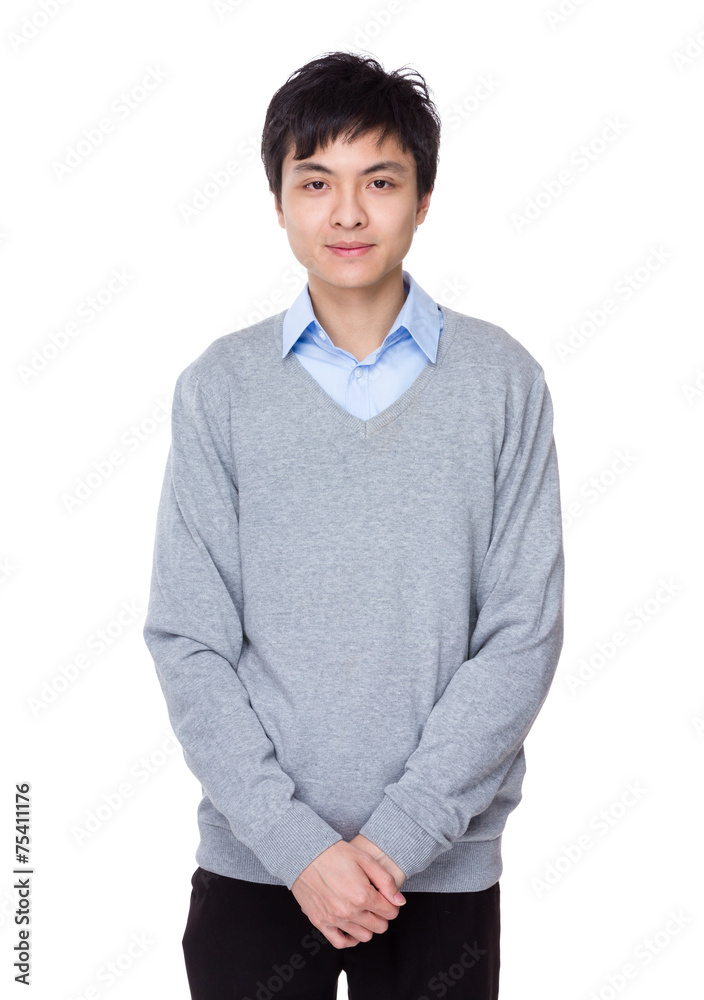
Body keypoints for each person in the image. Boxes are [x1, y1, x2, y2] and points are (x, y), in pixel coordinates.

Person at [142, 49, 565, 1000]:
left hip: (440, 875)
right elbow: (188, 640)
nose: (346, 213)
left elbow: (522, 636)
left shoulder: (503, 383)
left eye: (379, 181)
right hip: (257, 866)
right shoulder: (220, 389)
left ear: (423, 200)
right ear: (279, 202)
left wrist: (396, 840)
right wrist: (298, 847)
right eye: (315, 182)